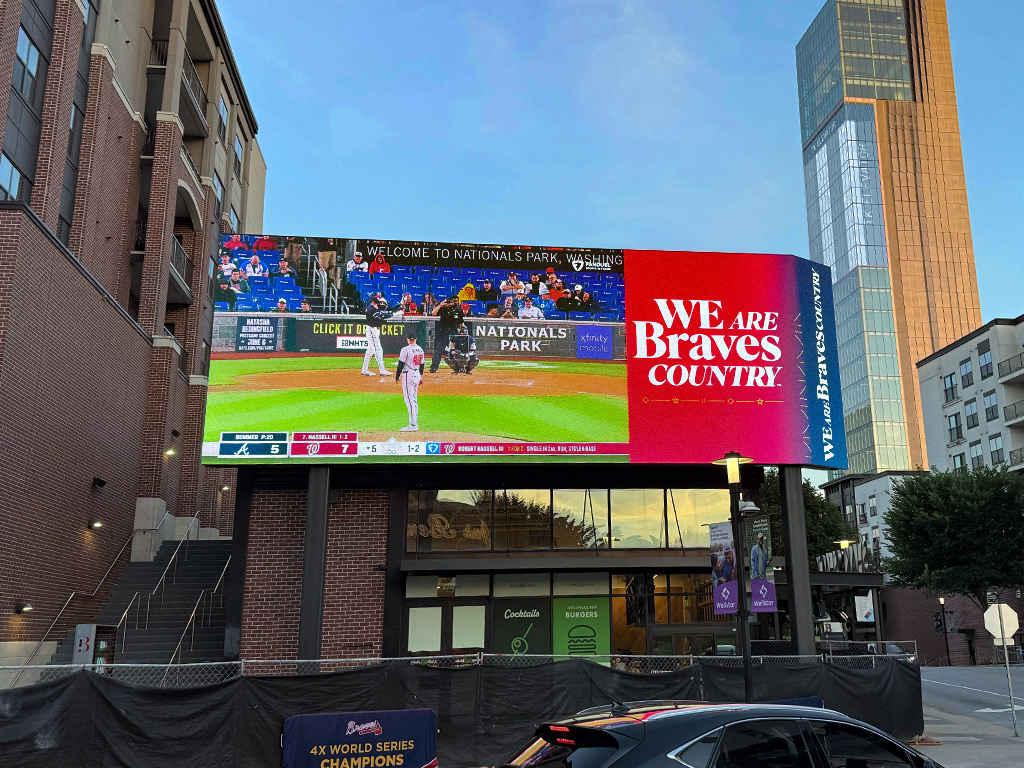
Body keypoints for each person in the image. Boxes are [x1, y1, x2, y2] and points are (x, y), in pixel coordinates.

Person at [362, 293, 408, 377]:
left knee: (370, 350)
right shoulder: (370, 309)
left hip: (375, 329)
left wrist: (400, 305)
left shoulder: (376, 307)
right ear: (373, 300)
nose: (379, 299)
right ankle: (382, 370)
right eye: (377, 298)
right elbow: (382, 315)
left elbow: (389, 309)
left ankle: (364, 370)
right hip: (372, 330)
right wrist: (397, 314)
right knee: (378, 350)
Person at [395, 329, 425, 431]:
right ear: (416, 339)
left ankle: (413, 425)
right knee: (414, 399)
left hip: (408, 375)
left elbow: (400, 364)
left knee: (409, 400)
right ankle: (414, 423)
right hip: (416, 374)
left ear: (408, 339)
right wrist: (420, 376)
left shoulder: (405, 349)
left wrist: (397, 377)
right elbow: (422, 364)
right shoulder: (420, 349)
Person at [429, 295, 465, 373]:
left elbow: (461, 323)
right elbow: (433, 313)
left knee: (457, 350)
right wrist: (440, 305)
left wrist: (461, 331)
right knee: (439, 350)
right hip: (444, 331)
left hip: (454, 332)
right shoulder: (443, 309)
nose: (449, 304)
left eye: (450, 302)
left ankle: (461, 367)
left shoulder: (458, 310)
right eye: (447, 302)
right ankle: (434, 367)